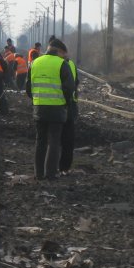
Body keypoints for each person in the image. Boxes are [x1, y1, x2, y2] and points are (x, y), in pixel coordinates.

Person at [26, 39, 75, 181]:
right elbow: (69, 87)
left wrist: (36, 99)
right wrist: (65, 102)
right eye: (63, 53)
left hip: (39, 106)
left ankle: (38, 173)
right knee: (54, 140)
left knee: (40, 140)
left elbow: (28, 87)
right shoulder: (61, 64)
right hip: (57, 107)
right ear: (59, 51)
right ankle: (51, 174)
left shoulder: (35, 63)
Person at [59, 49, 79, 175]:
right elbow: (75, 84)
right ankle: (64, 167)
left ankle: (58, 167)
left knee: (55, 138)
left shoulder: (65, 64)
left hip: (59, 104)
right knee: (67, 139)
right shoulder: (70, 64)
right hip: (69, 105)